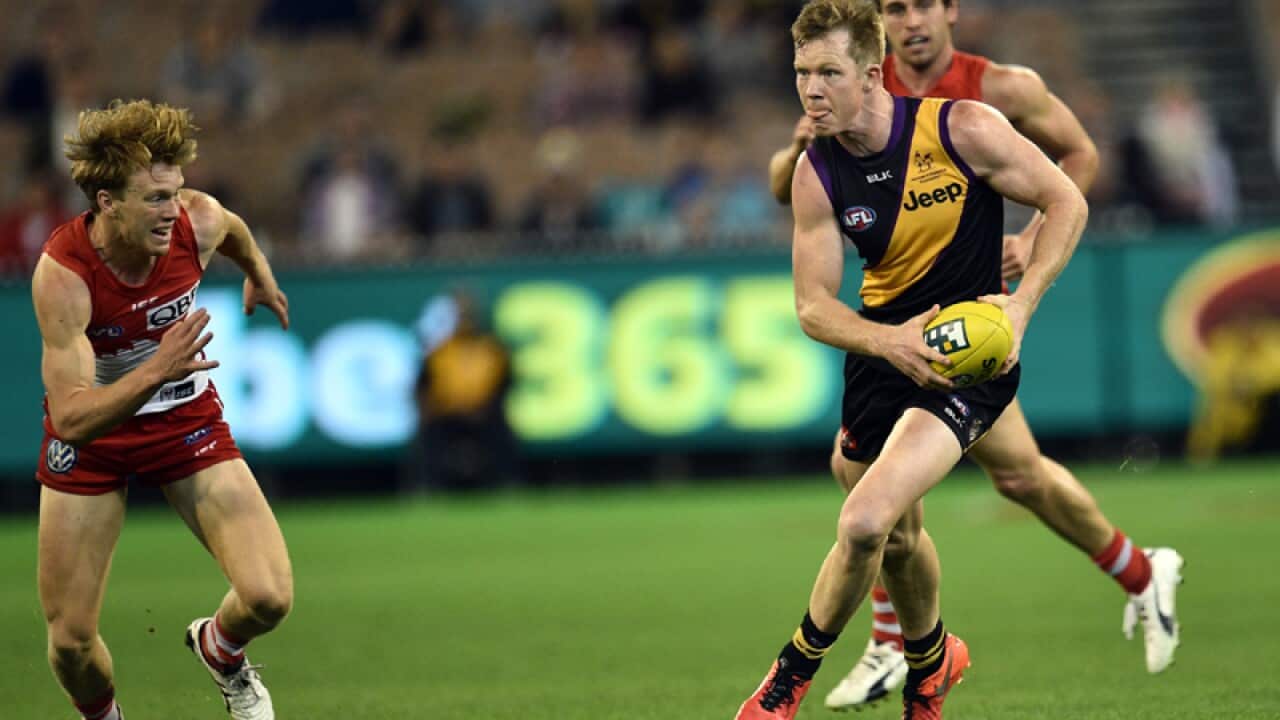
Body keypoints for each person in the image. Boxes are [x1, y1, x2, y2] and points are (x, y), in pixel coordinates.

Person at [765, 0, 1184, 709]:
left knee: (907, 502)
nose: (910, 20)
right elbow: (795, 189)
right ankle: (1140, 574)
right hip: (891, 333)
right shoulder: (847, 94)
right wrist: (798, 146)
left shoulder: (995, 93)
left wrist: (1026, 238)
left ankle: (895, 646)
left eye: (922, 3)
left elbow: (1076, 161)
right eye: (894, 7)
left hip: (969, 328)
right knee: (967, 484)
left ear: (951, 10)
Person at [32, 99, 292, 720]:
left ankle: (220, 650)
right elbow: (71, 419)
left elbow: (231, 228)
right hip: (96, 440)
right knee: (70, 642)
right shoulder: (64, 275)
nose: (170, 210)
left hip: (184, 424)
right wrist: (157, 368)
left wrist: (258, 272)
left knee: (268, 598)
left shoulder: (195, 221)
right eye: (153, 199)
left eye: (173, 193)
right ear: (106, 202)